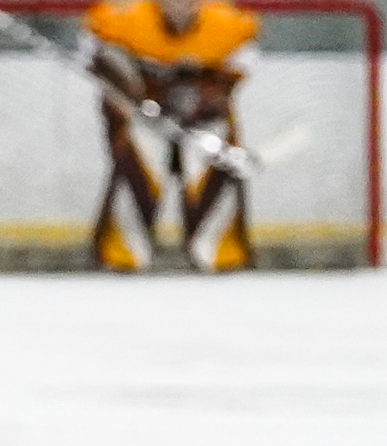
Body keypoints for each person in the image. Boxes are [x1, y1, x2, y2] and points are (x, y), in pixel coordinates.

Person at [84, 0, 258, 271]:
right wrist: (126, 87)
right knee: (138, 161)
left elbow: (239, 68)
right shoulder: (126, 17)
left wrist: (207, 97)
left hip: (202, 119)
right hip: (145, 115)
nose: (178, 6)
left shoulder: (227, 23)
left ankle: (218, 249)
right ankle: (124, 251)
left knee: (214, 159)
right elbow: (97, 52)